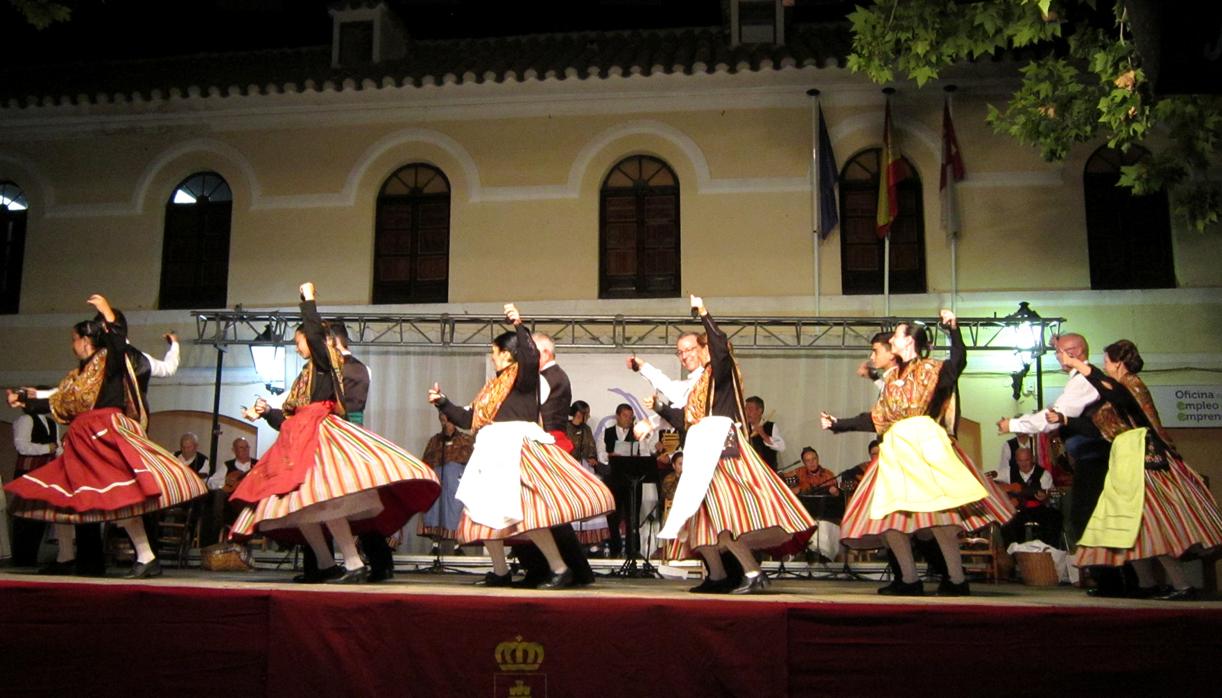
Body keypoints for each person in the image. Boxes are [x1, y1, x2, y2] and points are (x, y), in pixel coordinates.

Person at [232, 283, 440, 584]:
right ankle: (328, 564)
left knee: (326, 500)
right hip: (301, 437)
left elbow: (316, 339)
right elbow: (291, 419)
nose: (297, 346)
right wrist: (266, 413)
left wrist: (309, 302)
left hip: (318, 437)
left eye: (299, 340)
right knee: (301, 506)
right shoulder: (308, 375)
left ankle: (354, 563)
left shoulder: (325, 361)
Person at [4, 294, 208, 578]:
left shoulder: (115, 358)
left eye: (74, 338)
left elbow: (129, 347)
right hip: (84, 437)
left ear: (88, 338)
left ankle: (143, 557)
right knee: (78, 497)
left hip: (106, 433)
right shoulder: (80, 373)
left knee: (119, 496)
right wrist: (26, 400)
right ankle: (72, 556)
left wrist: (108, 312)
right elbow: (60, 398)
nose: (72, 344)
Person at [823, 310, 1014, 596]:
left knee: (939, 518)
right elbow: (877, 419)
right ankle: (910, 580)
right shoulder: (891, 379)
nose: (893, 338)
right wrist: (839, 424)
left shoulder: (931, 369)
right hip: (897, 451)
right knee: (887, 518)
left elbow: (958, 362)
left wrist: (953, 330)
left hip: (925, 447)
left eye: (898, 333)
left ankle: (956, 580)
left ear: (910, 340)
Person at [427, 304, 614, 589]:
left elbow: (529, 356)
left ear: (507, 354)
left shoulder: (525, 379)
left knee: (528, 511)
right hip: (490, 450)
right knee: (480, 510)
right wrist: (442, 402)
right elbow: (469, 418)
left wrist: (519, 325)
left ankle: (559, 567)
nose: (492, 359)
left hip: (513, 448)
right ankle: (500, 571)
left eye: (495, 353)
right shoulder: (492, 388)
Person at [656, 295, 816, 594]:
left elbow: (719, 347)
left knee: (724, 520)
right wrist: (659, 407)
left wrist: (704, 313)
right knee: (707, 521)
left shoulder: (721, 371)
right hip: (706, 454)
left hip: (723, 453)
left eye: (693, 349)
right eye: (682, 352)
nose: (687, 356)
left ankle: (752, 573)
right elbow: (688, 420)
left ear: (706, 349)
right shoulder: (701, 382)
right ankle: (719, 575)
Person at [1061, 341, 1222, 600]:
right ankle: (1148, 584)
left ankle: (1181, 585)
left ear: (1118, 362)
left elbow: (1120, 402)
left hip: (1145, 462)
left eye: (1106, 361)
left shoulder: (1130, 384)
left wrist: (1079, 364)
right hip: (1128, 459)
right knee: (1131, 528)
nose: (1105, 365)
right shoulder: (1121, 386)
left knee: (1151, 525)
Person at [287, 320, 399, 582]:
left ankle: (374, 564)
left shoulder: (354, 368)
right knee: (316, 499)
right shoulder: (315, 368)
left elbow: (351, 407)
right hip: (321, 435)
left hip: (343, 439)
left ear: (332, 341)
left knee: (344, 501)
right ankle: (321, 566)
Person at [511, 332, 598, 588]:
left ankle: (559, 569)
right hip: (546, 442)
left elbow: (532, 413)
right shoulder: (553, 376)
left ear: (545, 352)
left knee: (542, 513)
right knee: (543, 513)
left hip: (545, 444)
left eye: (531, 352)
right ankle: (558, 569)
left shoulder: (549, 378)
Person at [596, 402, 658, 557]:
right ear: (617, 416)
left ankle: (633, 551)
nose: (628, 419)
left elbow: (645, 453)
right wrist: (611, 456)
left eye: (631, 417)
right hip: (614, 479)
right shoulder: (607, 433)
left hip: (633, 481)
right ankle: (615, 550)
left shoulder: (637, 433)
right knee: (613, 517)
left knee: (633, 517)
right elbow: (601, 454)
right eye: (625, 416)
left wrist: (636, 455)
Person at [417, 412, 474, 555]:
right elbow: (426, 461)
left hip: (456, 483)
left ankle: (456, 545)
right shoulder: (435, 441)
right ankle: (435, 544)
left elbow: (472, 462)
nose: (446, 424)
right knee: (435, 509)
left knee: (455, 510)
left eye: (448, 421)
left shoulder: (465, 440)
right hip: (438, 482)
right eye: (443, 421)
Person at [9, 404, 59, 566]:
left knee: (39, 516)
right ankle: (21, 558)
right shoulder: (26, 420)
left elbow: (57, 447)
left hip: (45, 473)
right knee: (25, 516)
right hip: (28, 473)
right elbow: (22, 445)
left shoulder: (52, 423)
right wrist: (46, 448)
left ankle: (32, 557)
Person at [991, 447, 1061, 547]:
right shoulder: (1008, 472)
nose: (1023, 464)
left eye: (1027, 460)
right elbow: (989, 480)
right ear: (1016, 461)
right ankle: (1014, 556)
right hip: (1017, 511)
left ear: (1032, 458)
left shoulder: (1044, 474)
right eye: (1020, 461)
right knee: (1007, 523)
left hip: (1038, 510)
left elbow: (1051, 496)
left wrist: (1045, 497)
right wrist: (1008, 488)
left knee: (1054, 519)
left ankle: (1046, 553)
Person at [197, 437, 258, 546]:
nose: (245, 450)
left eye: (247, 447)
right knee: (218, 496)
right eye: (241, 447)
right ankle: (214, 538)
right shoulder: (227, 465)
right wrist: (224, 482)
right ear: (234, 450)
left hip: (252, 503)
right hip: (231, 506)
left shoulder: (257, 464)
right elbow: (211, 482)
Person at [566, 401, 610, 550]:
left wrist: (591, 457)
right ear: (579, 413)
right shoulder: (566, 427)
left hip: (585, 470)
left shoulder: (587, 429)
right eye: (587, 413)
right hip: (569, 470)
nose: (589, 416)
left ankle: (592, 543)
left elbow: (591, 448)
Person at [788, 447, 843, 563]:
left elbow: (837, 500)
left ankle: (823, 554)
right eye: (807, 461)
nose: (812, 463)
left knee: (822, 526)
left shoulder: (828, 474)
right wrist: (792, 489)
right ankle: (804, 553)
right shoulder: (799, 472)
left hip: (826, 516)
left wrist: (836, 492)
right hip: (805, 516)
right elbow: (783, 478)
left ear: (818, 459)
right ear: (804, 463)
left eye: (814, 459)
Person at [744, 396, 786, 471]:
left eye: (750, 409)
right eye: (745, 409)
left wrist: (763, 434)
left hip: (767, 472)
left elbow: (782, 447)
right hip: (747, 471)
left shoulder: (771, 426)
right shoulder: (742, 427)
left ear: (760, 411)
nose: (746, 412)